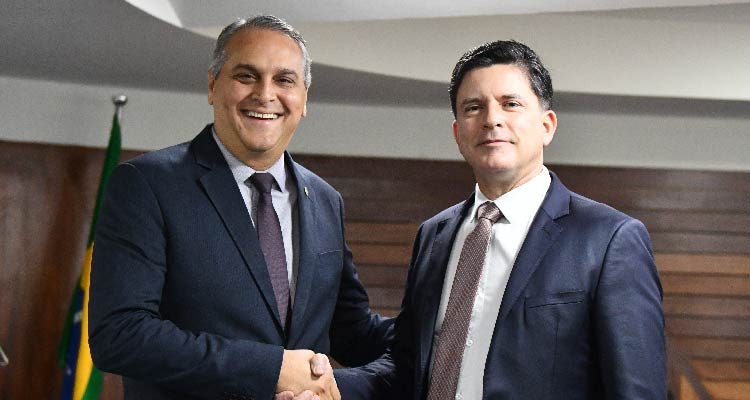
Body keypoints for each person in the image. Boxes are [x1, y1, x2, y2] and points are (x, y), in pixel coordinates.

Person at [337, 40, 666, 399]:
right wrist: (324, 386)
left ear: (547, 126)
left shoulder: (609, 239)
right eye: (474, 107)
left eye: (511, 104)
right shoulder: (434, 236)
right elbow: (407, 367)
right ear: (458, 134)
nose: (492, 119)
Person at [89, 15, 392, 400]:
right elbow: (120, 334)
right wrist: (271, 369)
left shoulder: (325, 200)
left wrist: (439, 329)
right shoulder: (146, 184)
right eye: (246, 76)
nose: (265, 94)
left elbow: (350, 329)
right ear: (213, 86)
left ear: (303, 99)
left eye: (284, 80)